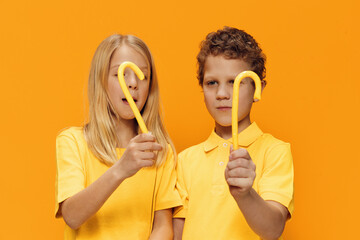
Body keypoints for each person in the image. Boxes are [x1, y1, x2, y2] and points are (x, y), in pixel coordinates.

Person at [55, 34, 181, 239]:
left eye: (142, 76)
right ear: (101, 81)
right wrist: (122, 169)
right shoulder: (73, 142)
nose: (132, 83)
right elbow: (72, 215)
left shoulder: (159, 152)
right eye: (121, 74)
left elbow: (163, 227)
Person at [173, 27, 294, 240]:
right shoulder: (184, 161)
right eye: (212, 83)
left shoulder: (274, 152)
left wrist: (245, 194)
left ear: (258, 89)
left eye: (234, 82)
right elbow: (177, 233)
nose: (222, 94)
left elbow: (273, 229)